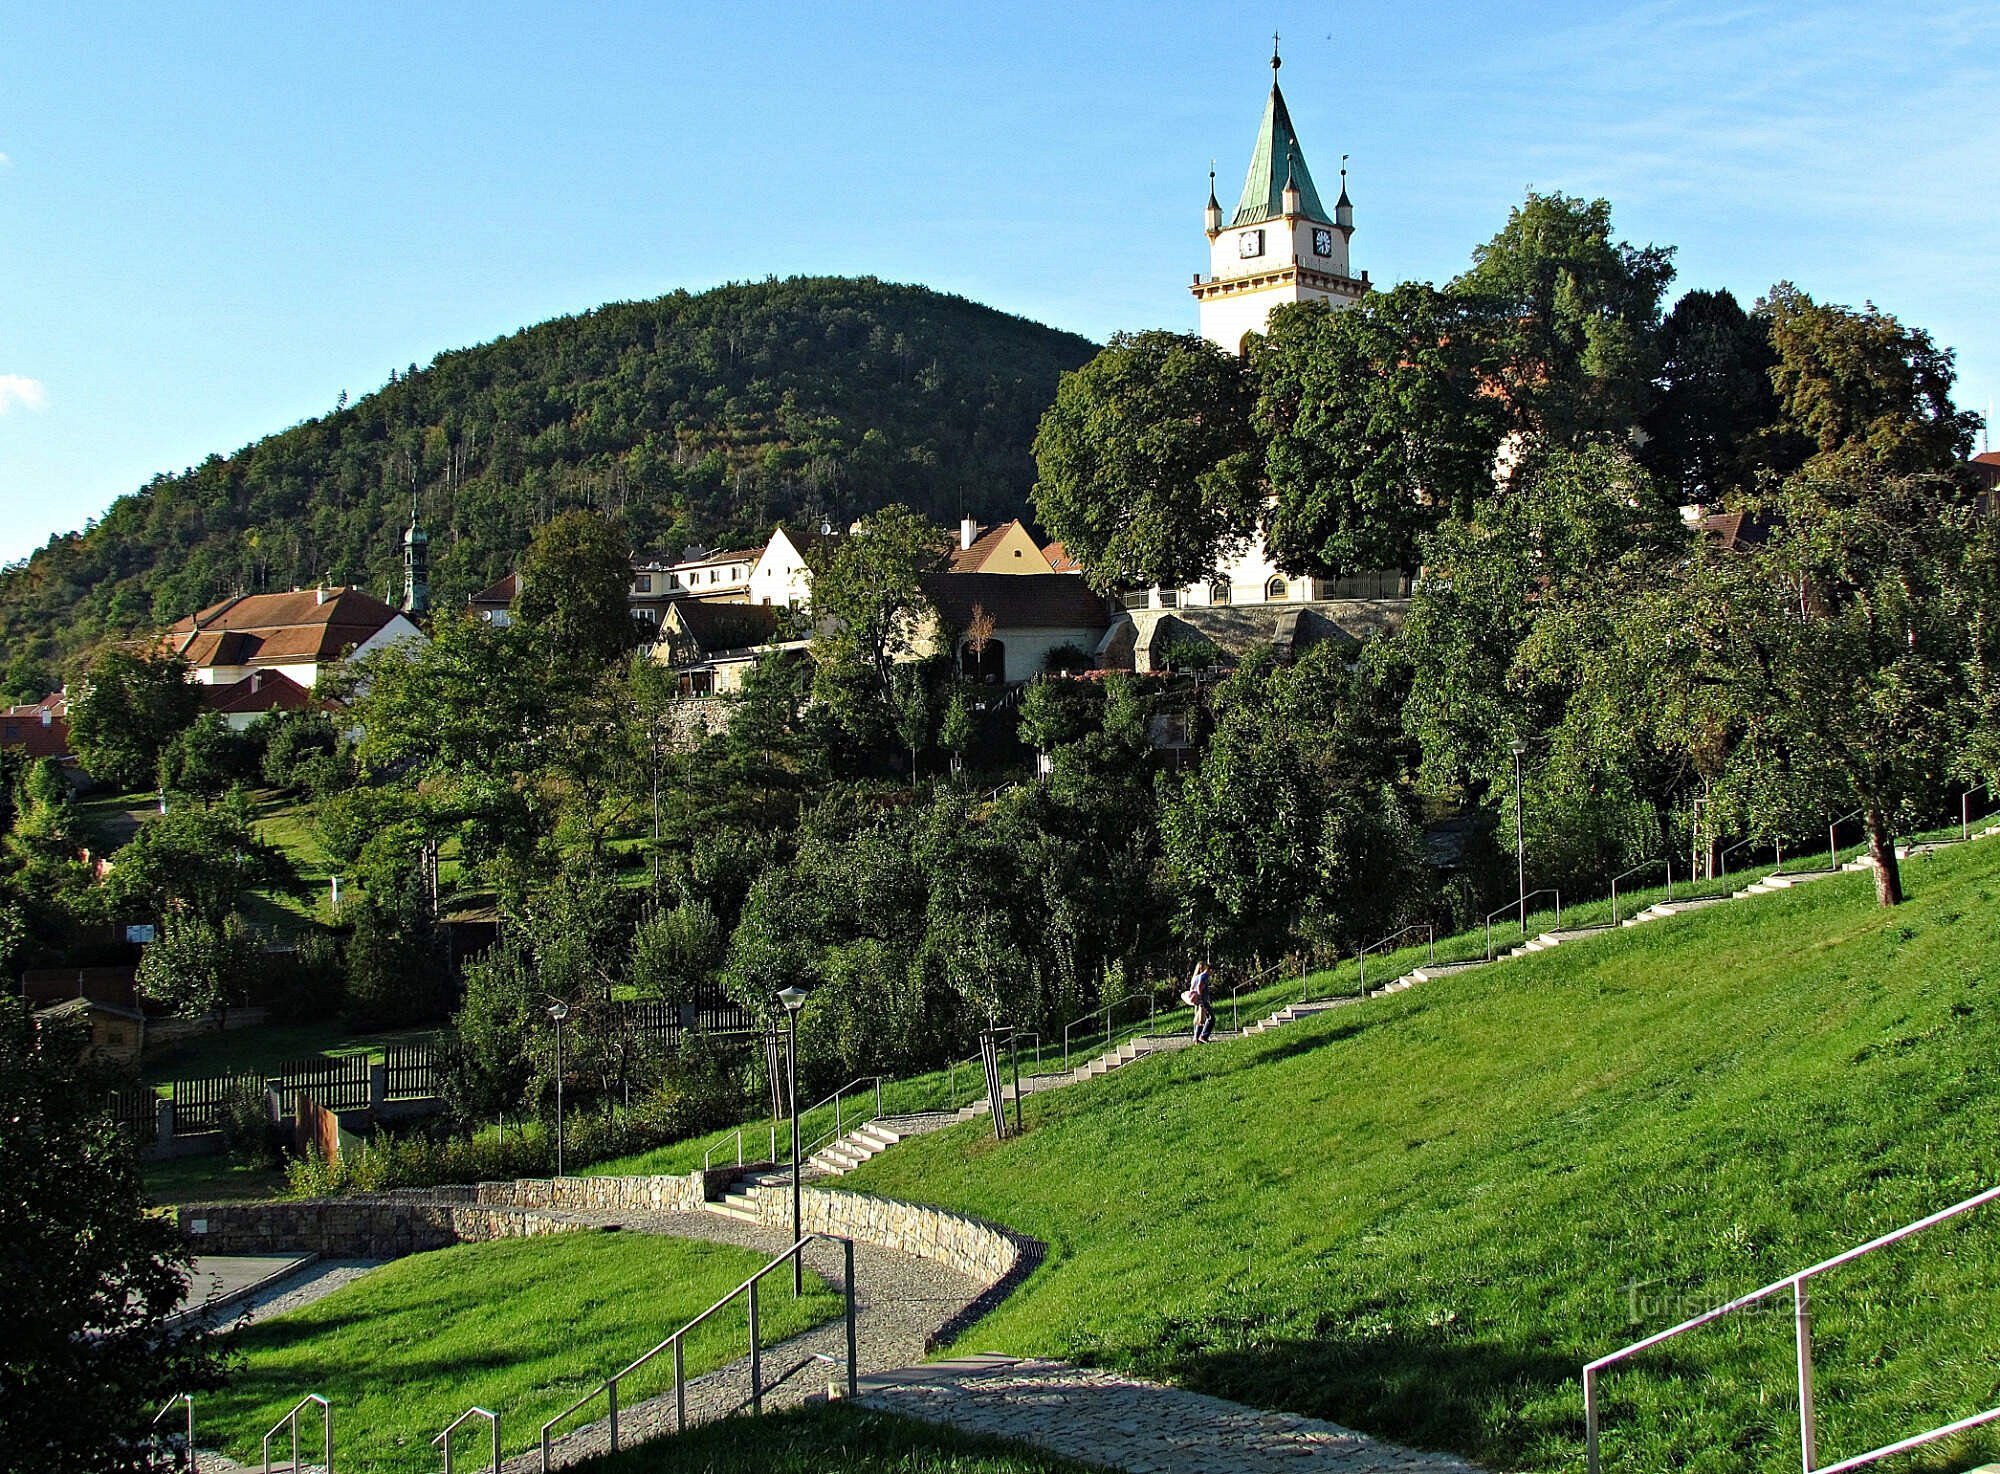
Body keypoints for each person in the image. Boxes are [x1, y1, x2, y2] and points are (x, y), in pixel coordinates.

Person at [1186, 959, 1215, 1043]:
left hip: (1199, 1001)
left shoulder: (1197, 977)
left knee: (1200, 1019)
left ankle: (1197, 1038)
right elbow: (1199, 988)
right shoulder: (1204, 976)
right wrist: (1201, 1001)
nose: (1212, 974)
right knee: (1210, 1018)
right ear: (1210, 970)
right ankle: (1203, 1036)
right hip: (1202, 1001)